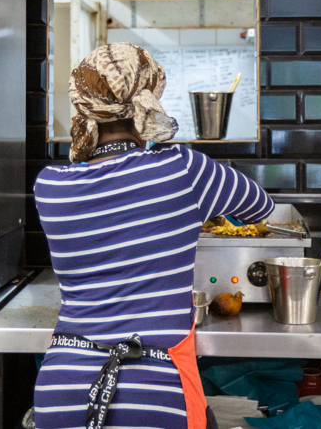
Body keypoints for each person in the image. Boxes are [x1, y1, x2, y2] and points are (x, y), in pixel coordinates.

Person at [32, 42, 275, 429]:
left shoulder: (49, 186)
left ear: (84, 105)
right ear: (147, 101)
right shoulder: (184, 169)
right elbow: (260, 207)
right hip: (155, 389)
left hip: (62, 389)